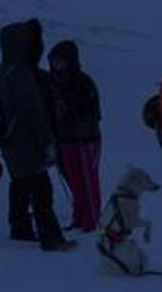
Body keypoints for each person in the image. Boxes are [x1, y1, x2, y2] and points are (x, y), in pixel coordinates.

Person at [0, 19, 75, 252]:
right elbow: (34, 112)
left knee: (20, 184)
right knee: (41, 189)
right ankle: (52, 238)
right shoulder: (21, 73)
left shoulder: (3, 70)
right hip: (25, 141)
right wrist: (47, 141)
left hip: (8, 140)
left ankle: (20, 228)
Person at [49, 39, 103, 232]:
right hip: (64, 138)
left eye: (60, 60)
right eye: (54, 61)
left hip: (86, 138)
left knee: (87, 179)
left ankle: (92, 219)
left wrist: (70, 109)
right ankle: (79, 216)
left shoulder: (83, 82)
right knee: (73, 180)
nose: (56, 64)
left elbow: (94, 112)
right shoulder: (52, 83)